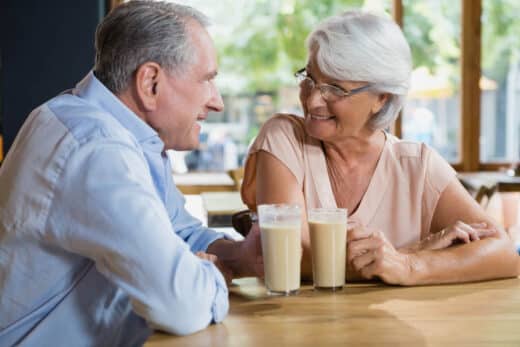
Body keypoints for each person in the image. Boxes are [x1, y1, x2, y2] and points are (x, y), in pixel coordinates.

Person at [0, 1, 262, 346]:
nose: (217, 102)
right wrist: (210, 274)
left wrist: (239, 256)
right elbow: (181, 305)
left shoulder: (122, 134)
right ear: (150, 82)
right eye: (207, 80)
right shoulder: (97, 150)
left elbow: (178, 230)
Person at [241, 10, 519, 285]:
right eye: (309, 79)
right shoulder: (284, 137)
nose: (313, 100)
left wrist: (409, 266)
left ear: (381, 99)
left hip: (399, 327)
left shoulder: (417, 165)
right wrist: (411, 252)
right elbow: (293, 258)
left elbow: (505, 254)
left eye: (335, 89)